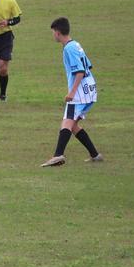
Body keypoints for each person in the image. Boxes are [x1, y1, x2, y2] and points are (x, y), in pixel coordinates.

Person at [41, 17, 103, 167]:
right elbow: (88, 66)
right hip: (90, 88)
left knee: (67, 122)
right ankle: (95, 155)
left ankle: (58, 155)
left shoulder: (69, 48)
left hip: (80, 92)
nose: (53, 35)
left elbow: (80, 71)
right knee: (73, 125)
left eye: (53, 32)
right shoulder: (76, 44)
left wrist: (72, 93)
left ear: (57, 32)